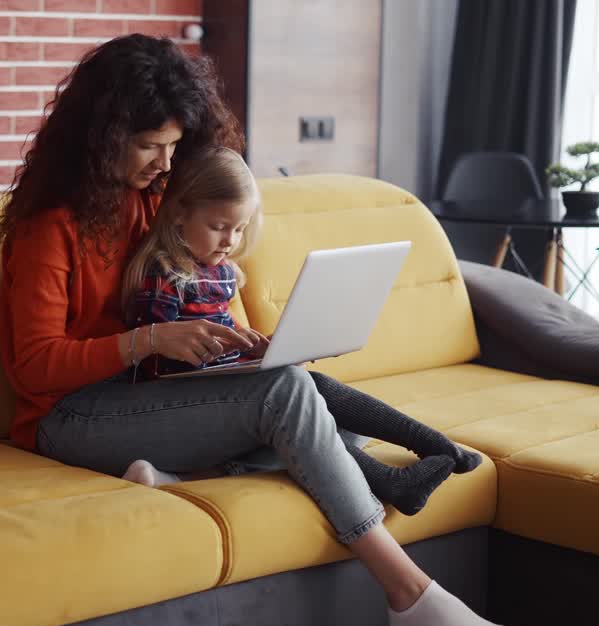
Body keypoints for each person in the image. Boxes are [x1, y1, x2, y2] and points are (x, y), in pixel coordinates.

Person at [0, 33, 523, 626]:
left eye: (172, 146)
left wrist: (244, 346)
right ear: (100, 138)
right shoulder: (47, 230)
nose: (164, 163)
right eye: (147, 146)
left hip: (150, 395)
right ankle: (409, 593)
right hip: (69, 416)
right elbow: (32, 368)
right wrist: (148, 340)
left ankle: (176, 475)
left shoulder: (156, 204)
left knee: (308, 403)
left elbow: (204, 286)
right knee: (291, 400)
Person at [119, 146, 482, 517]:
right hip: (187, 398)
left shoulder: (222, 270)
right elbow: (150, 362)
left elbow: (227, 332)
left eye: (239, 229)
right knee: (311, 399)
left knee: (336, 419)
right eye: (218, 227)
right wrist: (199, 349)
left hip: (227, 387)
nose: (229, 240)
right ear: (179, 215)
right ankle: (400, 476)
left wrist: (259, 347)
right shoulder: (163, 274)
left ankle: (436, 447)